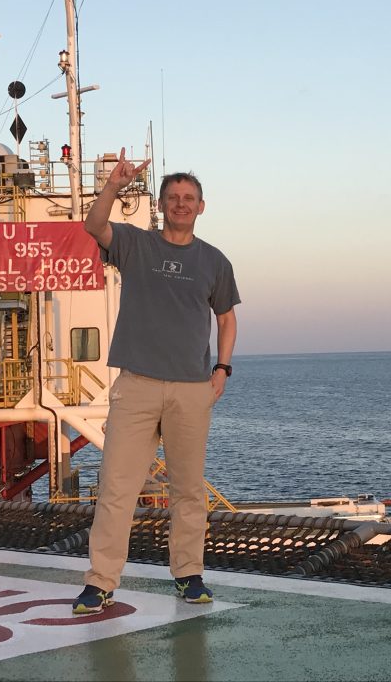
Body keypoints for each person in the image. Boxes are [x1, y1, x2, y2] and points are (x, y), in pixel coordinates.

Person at [73, 148, 240, 615]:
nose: (181, 204)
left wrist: (222, 370)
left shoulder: (215, 261)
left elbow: (226, 320)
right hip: (137, 385)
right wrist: (113, 185)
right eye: (173, 197)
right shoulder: (136, 244)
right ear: (162, 204)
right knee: (116, 487)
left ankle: (189, 575)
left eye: (189, 198)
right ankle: (101, 581)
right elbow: (93, 226)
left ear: (201, 207)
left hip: (191, 389)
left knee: (188, 490)